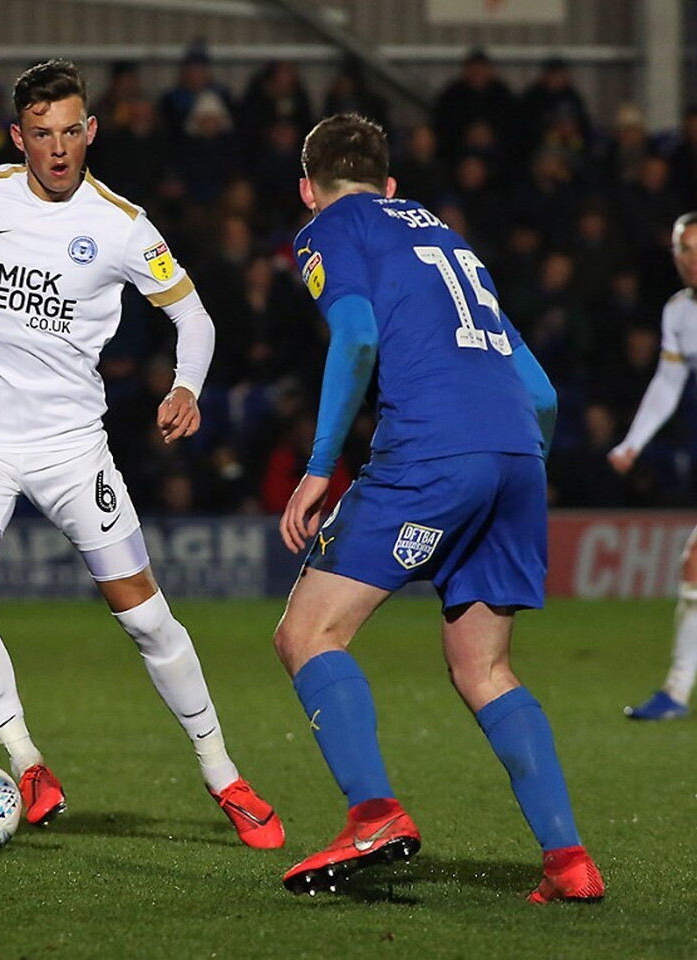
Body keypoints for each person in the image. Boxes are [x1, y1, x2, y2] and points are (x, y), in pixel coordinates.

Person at [0, 60, 284, 847]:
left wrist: (187, 387)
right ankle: (27, 761)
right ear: (19, 137)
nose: (59, 148)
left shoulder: (123, 226)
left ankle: (223, 773)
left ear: (91, 130)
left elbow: (195, 318)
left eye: (72, 131)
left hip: (72, 449)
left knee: (146, 617)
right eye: (43, 134)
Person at [273, 113, 603, 902]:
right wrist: (506, 472)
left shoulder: (328, 229)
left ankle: (373, 814)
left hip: (431, 451)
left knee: (306, 633)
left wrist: (319, 468)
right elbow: (542, 393)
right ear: (391, 184)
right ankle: (569, 862)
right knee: (484, 668)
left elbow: (356, 337)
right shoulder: (450, 240)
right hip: (517, 456)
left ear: (308, 189)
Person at [608, 211, 697, 720]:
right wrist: (633, 443)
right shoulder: (680, 312)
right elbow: (668, 383)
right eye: (683, 249)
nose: (690, 260)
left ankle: (678, 692)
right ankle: (677, 692)